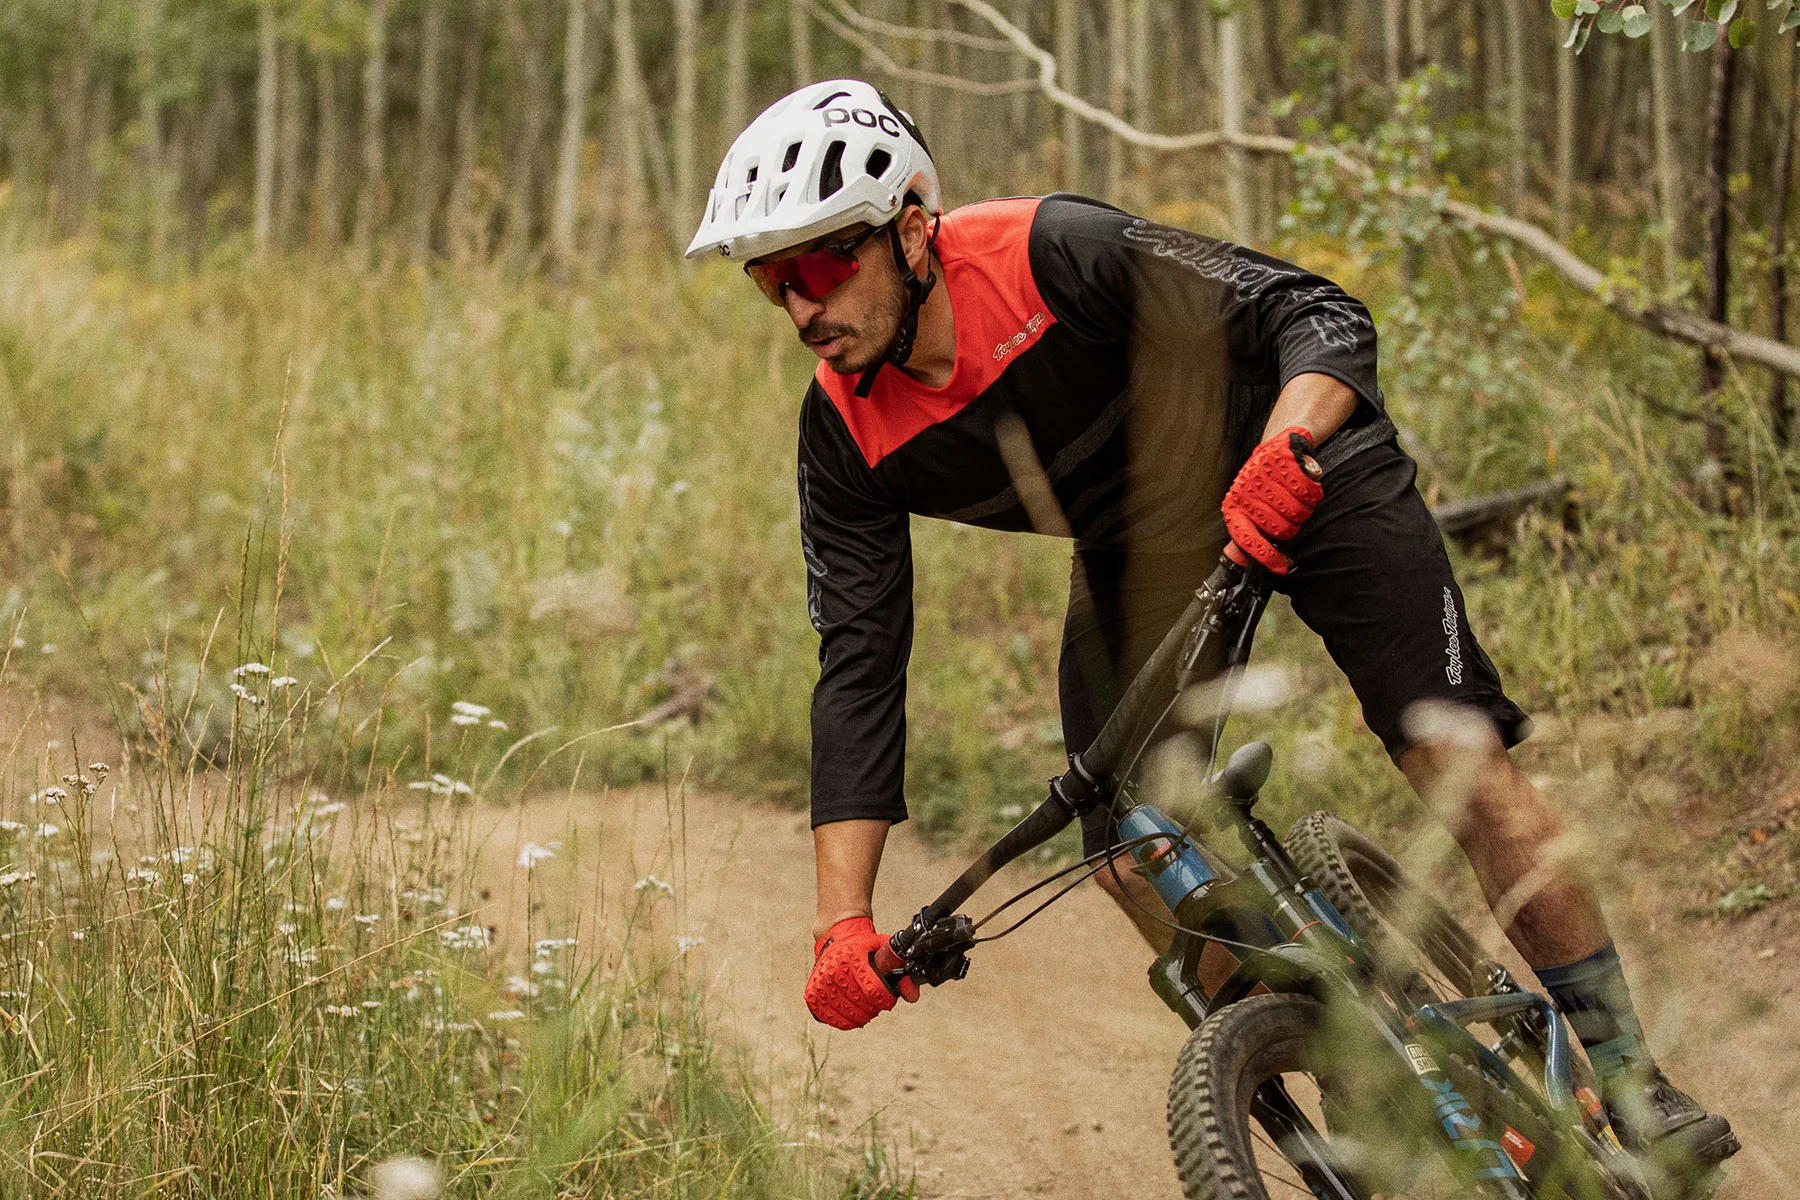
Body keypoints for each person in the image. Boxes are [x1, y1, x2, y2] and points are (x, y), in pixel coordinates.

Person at [685, 78, 1738, 1174]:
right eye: (772, 282)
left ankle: (1633, 1081)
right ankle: (1354, 1076)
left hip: (1303, 457)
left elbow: (1317, 313)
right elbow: (859, 666)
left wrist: (1283, 452)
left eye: (821, 264)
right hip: (1145, 547)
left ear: (910, 230)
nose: (803, 306)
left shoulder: (1055, 253)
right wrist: (841, 926)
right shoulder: (843, 437)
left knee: (1453, 759)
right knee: (1138, 858)